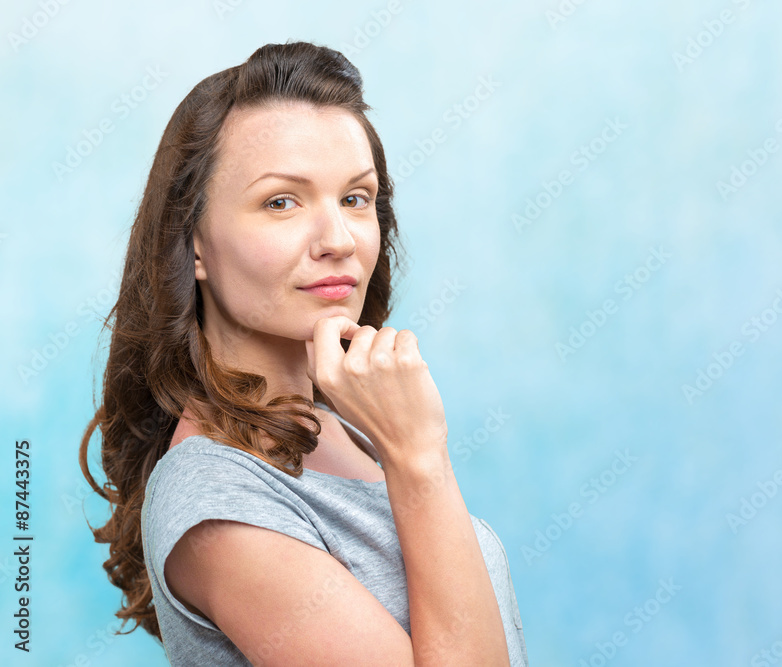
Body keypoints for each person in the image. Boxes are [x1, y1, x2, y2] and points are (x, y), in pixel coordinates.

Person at [78, 41, 528, 666]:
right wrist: (420, 458)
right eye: (281, 202)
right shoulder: (214, 497)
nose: (338, 239)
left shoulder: (350, 431)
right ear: (196, 245)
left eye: (356, 198)